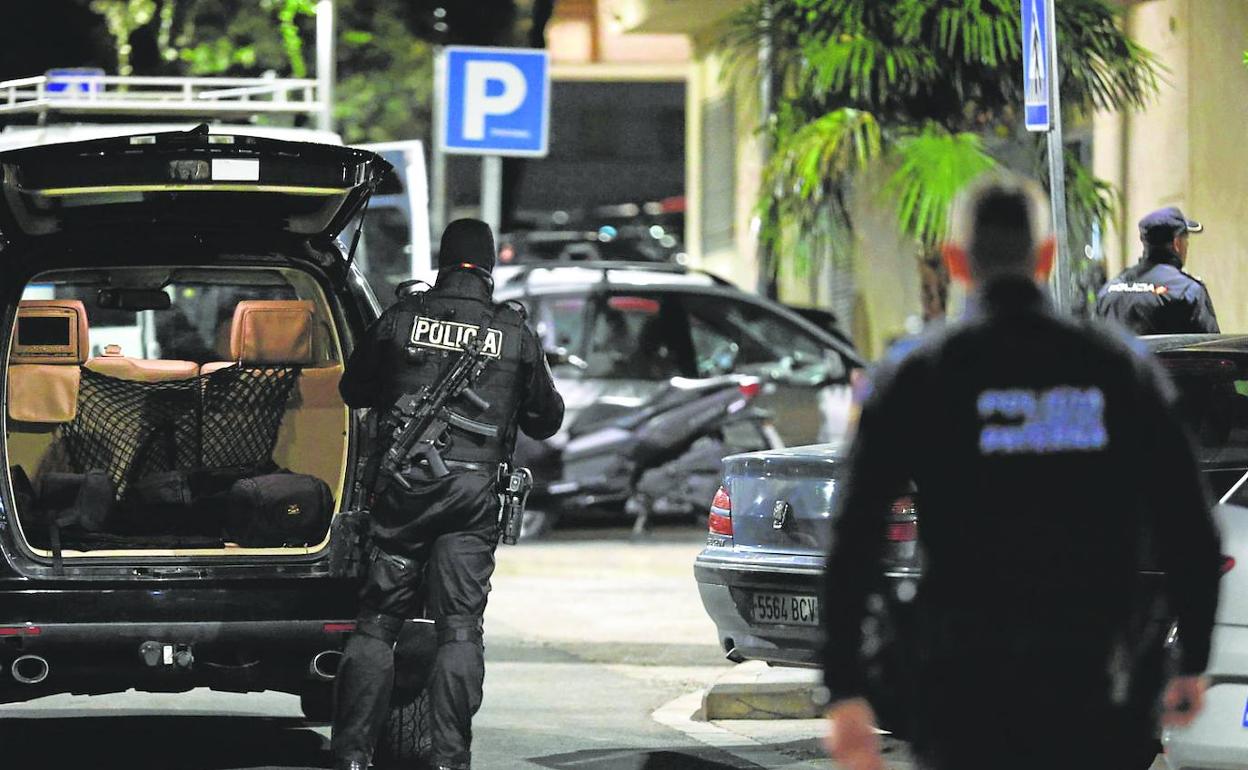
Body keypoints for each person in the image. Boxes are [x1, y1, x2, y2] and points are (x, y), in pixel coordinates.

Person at [820, 176, 1222, 770]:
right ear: (1047, 256)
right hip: (1093, 684)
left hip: (960, 691)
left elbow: (854, 536)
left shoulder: (918, 374)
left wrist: (844, 689)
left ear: (956, 262)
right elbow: (1189, 525)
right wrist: (1191, 658)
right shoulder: (1117, 368)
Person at [331, 219, 564, 770]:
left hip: (402, 493)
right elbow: (545, 421)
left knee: (377, 624)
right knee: (459, 629)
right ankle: (448, 759)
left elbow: (353, 389)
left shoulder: (403, 317)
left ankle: (352, 755)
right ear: (488, 267)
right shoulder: (512, 331)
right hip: (472, 498)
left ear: (441, 261)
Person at [1094, 206, 1219, 334]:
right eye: (1186, 240)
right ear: (1177, 244)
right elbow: (1211, 349)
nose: (1187, 246)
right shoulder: (1188, 291)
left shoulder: (1109, 291)